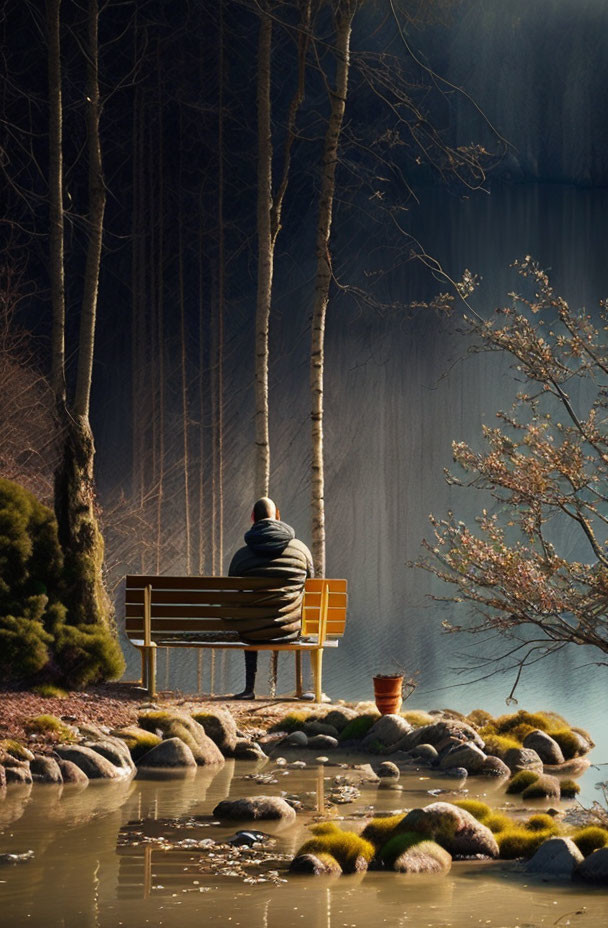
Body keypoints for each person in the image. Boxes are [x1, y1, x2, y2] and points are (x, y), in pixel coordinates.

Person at [227, 497, 313, 699]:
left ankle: (249, 689)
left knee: (250, 615)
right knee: (298, 610)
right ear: (278, 516)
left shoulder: (241, 556)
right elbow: (312, 586)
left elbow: (233, 597)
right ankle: (302, 688)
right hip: (290, 630)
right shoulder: (300, 550)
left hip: (252, 633)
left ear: (253, 518)